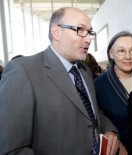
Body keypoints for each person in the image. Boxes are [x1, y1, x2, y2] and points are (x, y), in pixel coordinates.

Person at [0, 7, 120, 155]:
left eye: (89, 32)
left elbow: (91, 112)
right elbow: (13, 149)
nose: (88, 38)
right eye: (81, 30)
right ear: (56, 32)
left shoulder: (85, 71)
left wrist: (109, 130)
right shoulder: (23, 71)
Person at [94, 31, 132, 153]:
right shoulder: (99, 85)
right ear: (111, 54)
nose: (128, 56)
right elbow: (97, 119)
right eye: (121, 51)